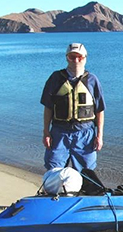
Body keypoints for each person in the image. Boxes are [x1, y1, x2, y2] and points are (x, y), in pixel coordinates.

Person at [40, 43, 106, 172]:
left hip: (85, 135)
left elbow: (100, 110)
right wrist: (46, 132)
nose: (76, 60)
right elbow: (48, 107)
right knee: (54, 170)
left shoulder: (92, 80)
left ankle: (83, 192)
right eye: (72, 57)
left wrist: (99, 136)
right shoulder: (56, 78)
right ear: (67, 58)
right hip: (59, 133)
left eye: (79, 57)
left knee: (87, 172)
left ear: (85, 58)